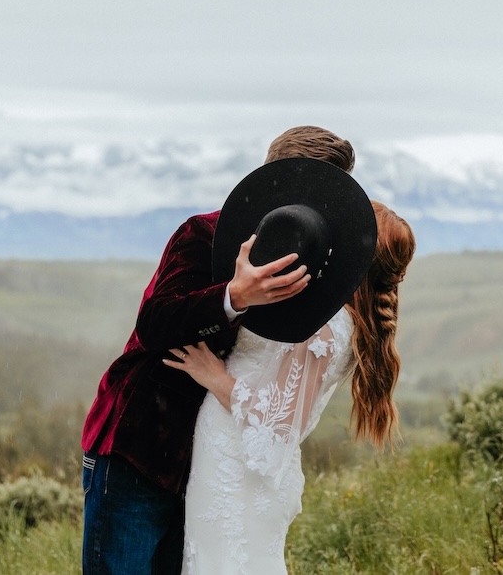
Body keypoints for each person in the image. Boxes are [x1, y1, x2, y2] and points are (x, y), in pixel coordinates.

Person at [80, 126, 356, 575]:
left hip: (208, 467)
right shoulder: (204, 234)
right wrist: (234, 296)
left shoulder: (312, 264)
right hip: (139, 449)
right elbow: (154, 323)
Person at [164, 201, 416, 574]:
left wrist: (213, 375)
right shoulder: (339, 317)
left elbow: (275, 427)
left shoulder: (328, 327)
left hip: (238, 470)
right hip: (231, 464)